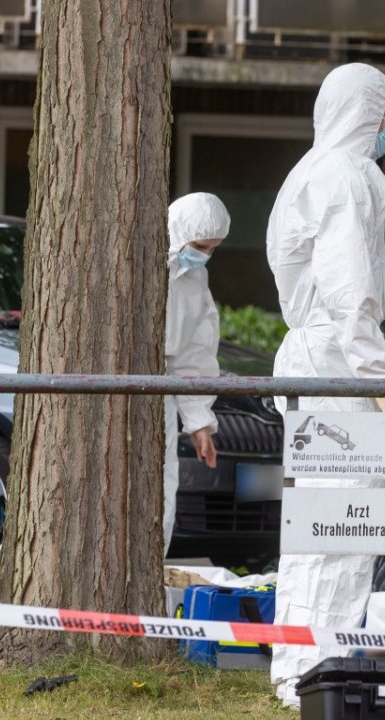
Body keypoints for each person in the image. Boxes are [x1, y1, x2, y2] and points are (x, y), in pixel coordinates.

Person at [266, 62, 385, 707]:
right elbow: (352, 299)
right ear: (367, 109)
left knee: (313, 532)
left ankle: (297, 667)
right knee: (345, 529)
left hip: (313, 361)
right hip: (339, 370)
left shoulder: (308, 170)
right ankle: (318, 673)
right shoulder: (351, 178)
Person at [163, 192, 231, 556]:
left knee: (159, 492)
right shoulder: (139, 265)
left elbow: (193, 354)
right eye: (201, 245)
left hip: (159, 395)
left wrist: (199, 421)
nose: (206, 255)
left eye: (214, 248)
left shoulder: (194, 279)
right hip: (112, 391)